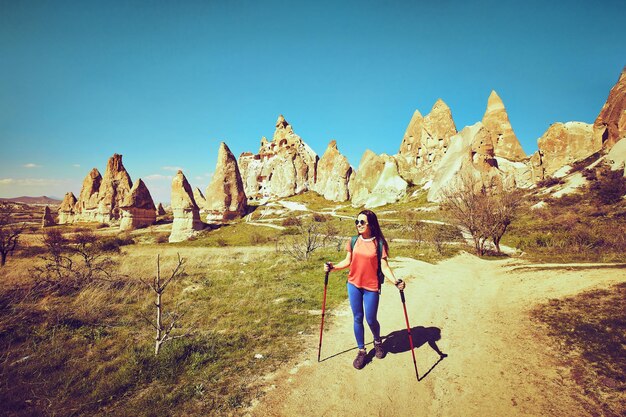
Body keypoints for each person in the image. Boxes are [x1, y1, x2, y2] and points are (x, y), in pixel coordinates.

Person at [324, 209, 405, 370]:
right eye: (357, 222)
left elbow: (384, 267)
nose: (358, 225)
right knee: (357, 318)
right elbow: (347, 261)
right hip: (353, 285)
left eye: (362, 222)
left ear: (371, 224)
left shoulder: (379, 243)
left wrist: (396, 281)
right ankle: (361, 351)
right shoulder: (354, 241)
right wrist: (333, 267)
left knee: (370, 319)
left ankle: (377, 342)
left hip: (371, 288)